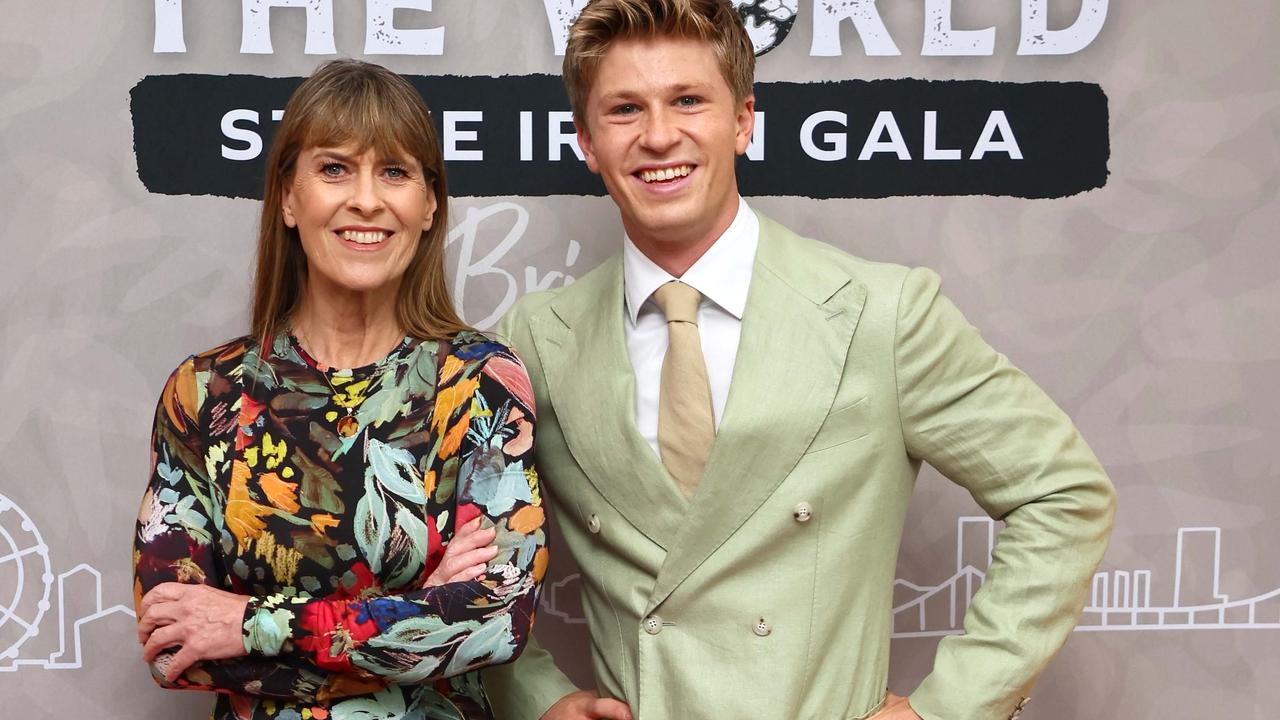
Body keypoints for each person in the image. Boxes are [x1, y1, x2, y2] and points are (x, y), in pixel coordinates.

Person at [482, 1, 1117, 719]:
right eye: (625, 110)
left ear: (743, 119)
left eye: (688, 100)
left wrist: (950, 708)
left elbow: (1063, 491)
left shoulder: (882, 312)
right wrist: (536, 698)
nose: (659, 136)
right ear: (587, 141)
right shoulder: (538, 337)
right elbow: (469, 549)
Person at [132, 59, 548, 720]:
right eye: (334, 169)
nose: (367, 199)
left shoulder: (481, 384)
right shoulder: (205, 395)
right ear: (289, 198)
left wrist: (248, 623)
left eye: (395, 171)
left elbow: (495, 623)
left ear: (430, 202)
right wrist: (416, 619)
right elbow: (174, 646)